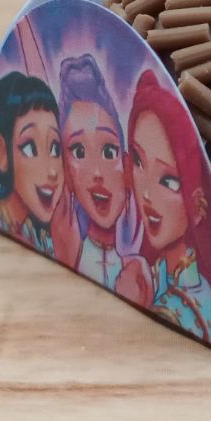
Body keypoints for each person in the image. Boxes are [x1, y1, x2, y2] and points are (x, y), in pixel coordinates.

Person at [127, 70, 211, 346]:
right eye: (138, 161)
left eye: (169, 180)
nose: (146, 194)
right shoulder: (151, 273)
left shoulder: (190, 307)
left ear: (198, 204)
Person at [55, 55, 151, 305]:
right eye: (78, 151)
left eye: (109, 151)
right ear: (66, 171)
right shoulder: (65, 252)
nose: (97, 172)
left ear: (127, 167)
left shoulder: (142, 274)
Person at [0, 71, 63, 257]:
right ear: (2, 153)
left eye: (55, 149)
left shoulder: (47, 238)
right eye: (30, 148)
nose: (52, 171)